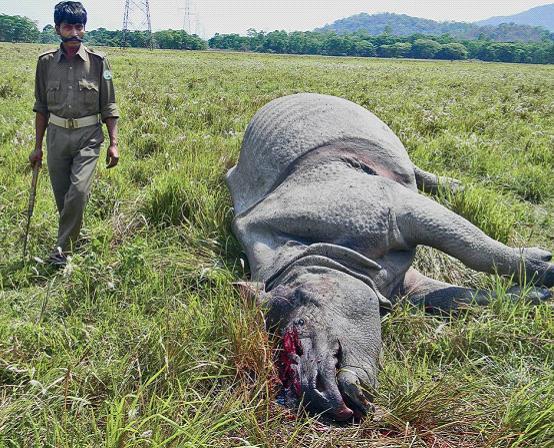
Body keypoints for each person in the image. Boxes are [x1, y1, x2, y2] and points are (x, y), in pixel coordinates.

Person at [29, 1, 119, 267]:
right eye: (68, 26)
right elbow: (41, 107)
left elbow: (109, 106)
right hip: (56, 137)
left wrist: (114, 143)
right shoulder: (45, 63)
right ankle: (73, 239)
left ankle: (60, 254)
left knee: (78, 192)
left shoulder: (100, 62)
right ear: (57, 28)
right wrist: (37, 146)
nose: (74, 32)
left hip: (88, 137)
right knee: (63, 197)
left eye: (79, 26)